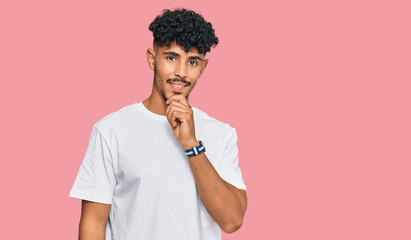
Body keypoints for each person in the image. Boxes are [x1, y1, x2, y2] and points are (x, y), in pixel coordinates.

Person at [70, 8, 247, 240]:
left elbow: (232, 220)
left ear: (203, 68)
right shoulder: (111, 130)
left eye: (192, 62)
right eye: (171, 58)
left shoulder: (222, 134)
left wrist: (191, 144)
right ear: (152, 59)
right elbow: (93, 225)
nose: (181, 73)